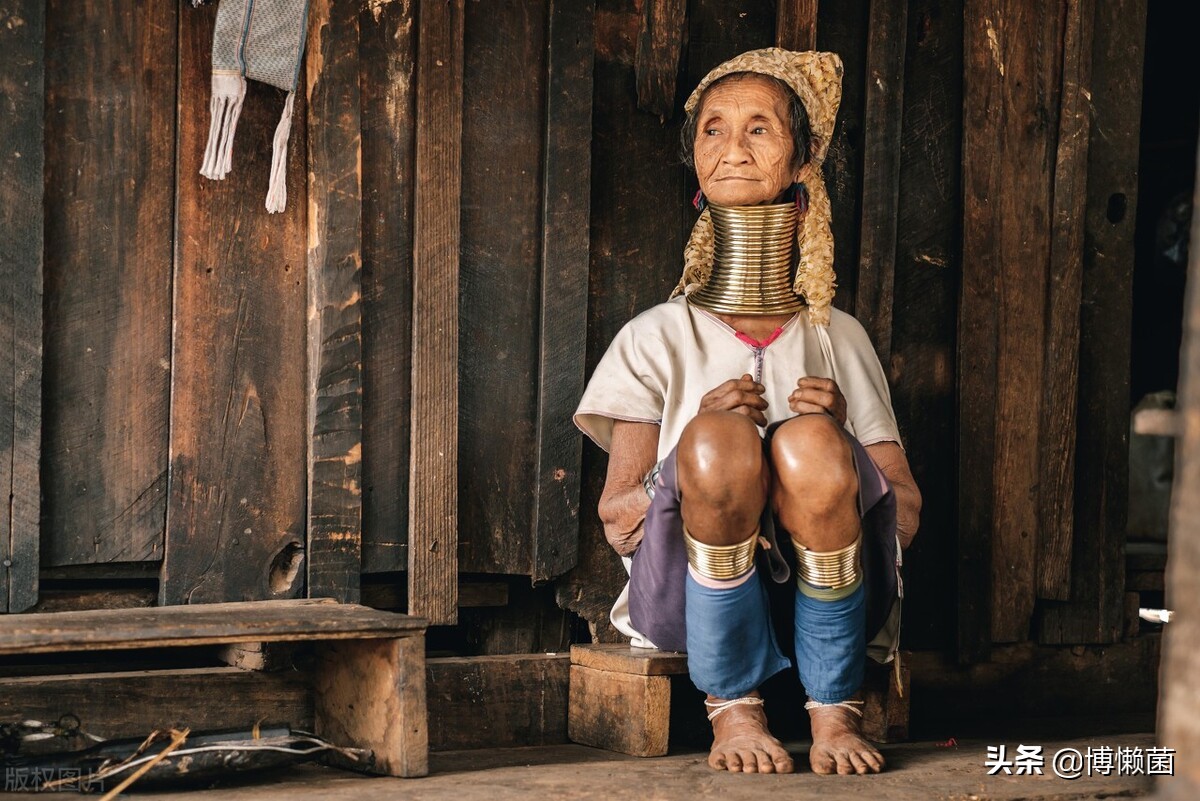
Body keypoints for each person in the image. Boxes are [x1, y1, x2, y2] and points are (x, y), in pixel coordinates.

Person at [573, 48, 922, 776]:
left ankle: (834, 708)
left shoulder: (838, 338)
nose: (731, 148)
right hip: (685, 600)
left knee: (811, 444)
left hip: (832, 598)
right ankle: (732, 705)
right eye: (713, 130)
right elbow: (619, 517)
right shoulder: (654, 337)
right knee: (717, 440)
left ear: (805, 158)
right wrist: (692, 455)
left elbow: (908, 513)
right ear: (694, 157)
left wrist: (841, 446)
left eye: (759, 129)